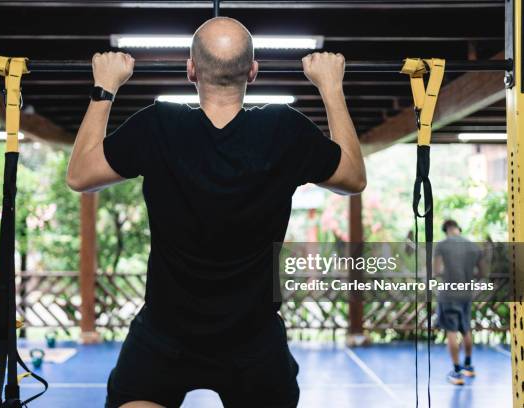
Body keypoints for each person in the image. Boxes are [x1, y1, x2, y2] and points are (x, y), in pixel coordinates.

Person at [67, 17, 366, 408]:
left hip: (165, 337)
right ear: (253, 72)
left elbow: (79, 176)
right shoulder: (284, 130)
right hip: (253, 341)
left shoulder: (158, 124)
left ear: (191, 70)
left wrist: (105, 86)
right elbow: (354, 177)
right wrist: (331, 88)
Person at [434, 219, 483, 386]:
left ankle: (456, 371)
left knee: (451, 331)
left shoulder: (442, 245)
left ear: (446, 229)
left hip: (449, 293)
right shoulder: (473, 246)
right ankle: (469, 366)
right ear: (458, 228)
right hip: (466, 293)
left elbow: (436, 270)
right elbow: (482, 272)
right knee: (466, 328)